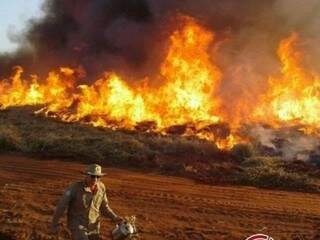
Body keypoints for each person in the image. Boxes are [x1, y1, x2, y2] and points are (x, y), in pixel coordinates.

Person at [51, 164, 123, 240]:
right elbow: (61, 206)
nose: (95, 179)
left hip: (93, 226)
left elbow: (104, 207)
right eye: (92, 176)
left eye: (98, 177)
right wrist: (54, 224)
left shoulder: (101, 187)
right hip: (77, 224)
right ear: (86, 175)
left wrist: (115, 217)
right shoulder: (75, 188)